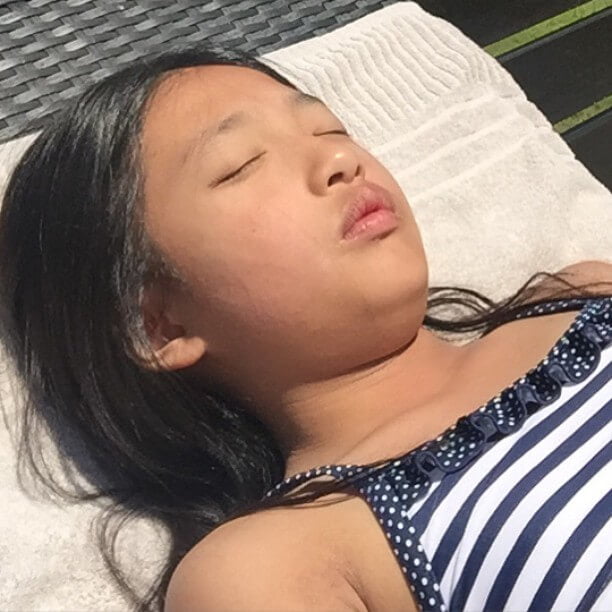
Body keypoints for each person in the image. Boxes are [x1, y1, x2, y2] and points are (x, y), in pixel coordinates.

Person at [0, 44, 610, 612]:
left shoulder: (578, 294)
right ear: (158, 325)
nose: (341, 159)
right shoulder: (281, 560)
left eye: (330, 129)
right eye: (239, 165)